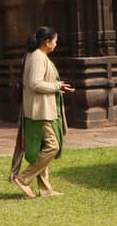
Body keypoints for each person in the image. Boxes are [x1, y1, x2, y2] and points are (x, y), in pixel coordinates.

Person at [11, 25, 73, 198]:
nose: (56, 44)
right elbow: (35, 83)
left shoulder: (36, 55)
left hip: (38, 109)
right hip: (40, 111)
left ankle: (45, 189)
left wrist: (58, 88)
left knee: (42, 148)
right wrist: (56, 86)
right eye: (55, 41)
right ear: (47, 42)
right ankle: (23, 178)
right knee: (53, 146)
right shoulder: (38, 57)